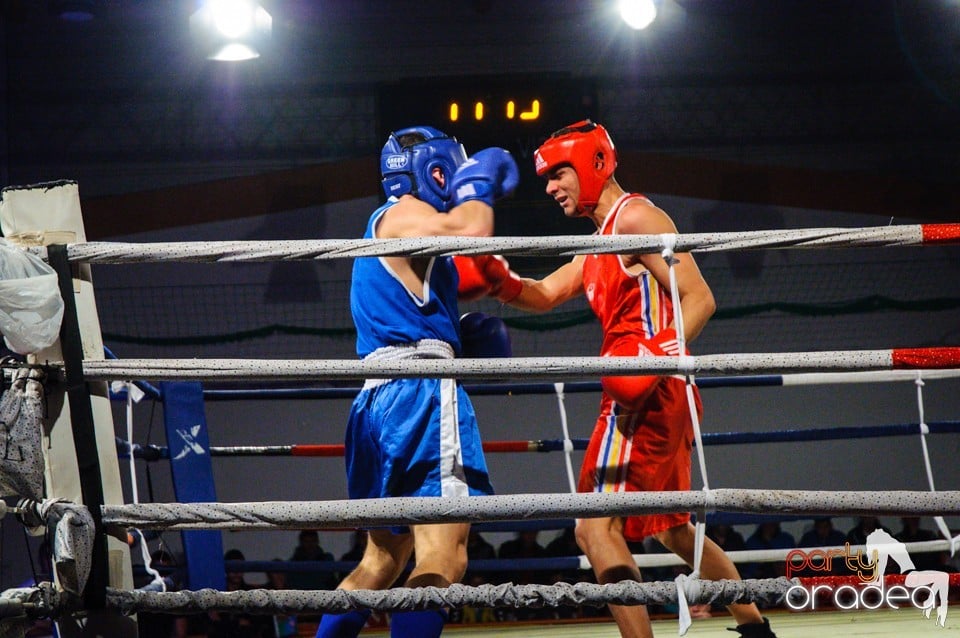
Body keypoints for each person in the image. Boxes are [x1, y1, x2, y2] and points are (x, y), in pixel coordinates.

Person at [467, 120, 776, 637]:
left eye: (558, 173)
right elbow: (543, 293)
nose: (549, 187)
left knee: (594, 528)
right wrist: (494, 278)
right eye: (546, 178)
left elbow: (698, 297)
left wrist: (656, 359)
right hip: (658, 390)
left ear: (593, 164)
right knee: (675, 530)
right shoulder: (600, 240)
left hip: (644, 396)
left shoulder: (634, 217)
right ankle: (756, 631)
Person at [314, 125, 518, 638]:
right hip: (422, 396)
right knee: (443, 557)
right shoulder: (407, 212)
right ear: (437, 172)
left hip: (378, 398)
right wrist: (479, 182)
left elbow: (408, 310)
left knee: (381, 563)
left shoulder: (386, 227)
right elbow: (472, 230)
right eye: (453, 175)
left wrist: (455, 337)